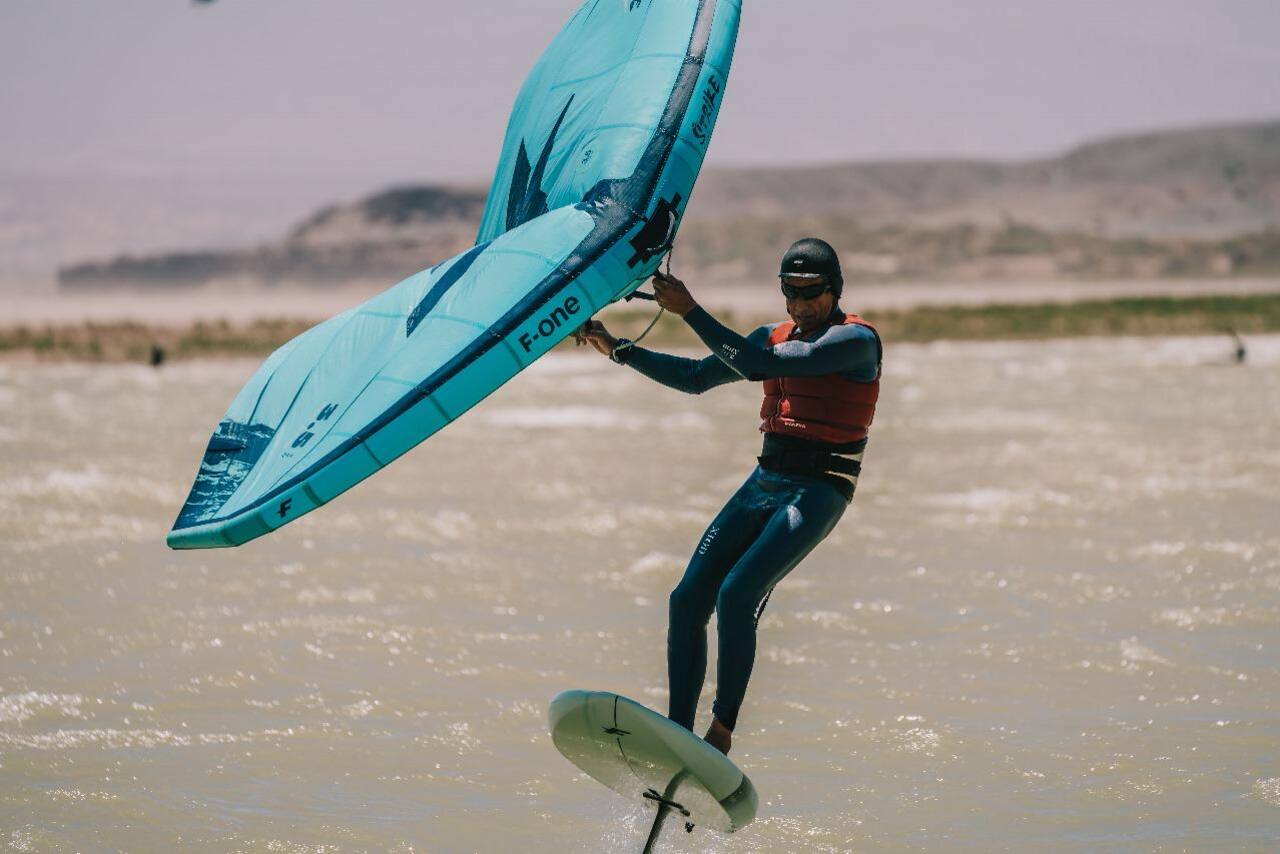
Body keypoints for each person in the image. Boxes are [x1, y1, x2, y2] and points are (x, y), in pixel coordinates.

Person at [576, 238, 882, 754]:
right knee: (686, 600)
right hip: (766, 480)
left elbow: (761, 364)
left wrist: (690, 310)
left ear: (835, 291)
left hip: (820, 487)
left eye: (813, 294)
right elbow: (697, 378)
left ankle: (719, 733)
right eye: (792, 293)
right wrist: (617, 348)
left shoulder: (854, 343)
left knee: (737, 594)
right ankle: (677, 732)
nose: (802, 305)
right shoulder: (772, 337)